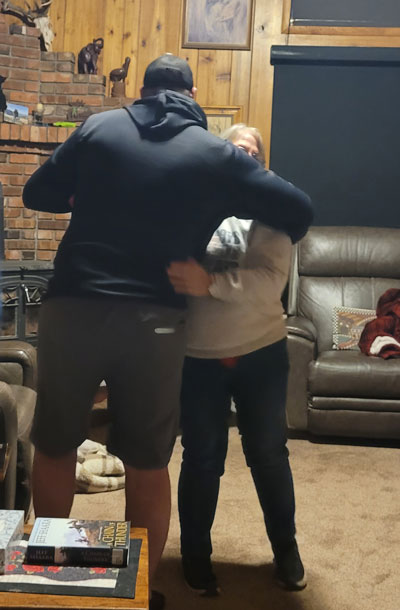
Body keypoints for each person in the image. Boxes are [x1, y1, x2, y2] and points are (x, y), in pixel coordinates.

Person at [22, 55, 312, 610]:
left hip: (74, 306)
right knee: (147, 460)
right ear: (193, 94)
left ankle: (53, 581)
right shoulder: (214, 154)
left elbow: (37, 193)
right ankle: (140, 590)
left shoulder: (99, 127)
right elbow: (299, 209)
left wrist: (82, 195)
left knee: (56, 445)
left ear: (140, 89)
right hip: (154, 321)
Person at [167, 124, 307, 597]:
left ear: (261, 163)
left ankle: (286, 552)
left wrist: (209, 284)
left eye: (253, 151)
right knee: (202, 458)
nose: (244, 155)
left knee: (268, 455)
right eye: (235, 148)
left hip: (261, 351)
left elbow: (270, 282)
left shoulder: (275, 206)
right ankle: (195, 557)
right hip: (198, 355)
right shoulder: (192, 203)